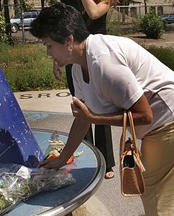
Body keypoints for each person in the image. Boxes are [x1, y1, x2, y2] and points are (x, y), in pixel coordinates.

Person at [30, 3, 174, 216]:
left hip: (173, 116)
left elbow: (144, 115)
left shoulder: (103, 63)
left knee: (153, 188)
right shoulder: (78, 66)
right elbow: (83, 119)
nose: (48, 53)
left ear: (69, 40)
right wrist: (62, 159)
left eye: (48, 46)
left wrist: (96, 117)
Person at [54, 0, 116, 179]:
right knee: (80, 107)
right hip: (73, 54)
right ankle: (87, 156)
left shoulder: (104, 1)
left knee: (102, 108)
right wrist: (56, 59)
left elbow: (93, 13)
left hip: (98, 55)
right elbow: (62, 29)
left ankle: (106, 160)